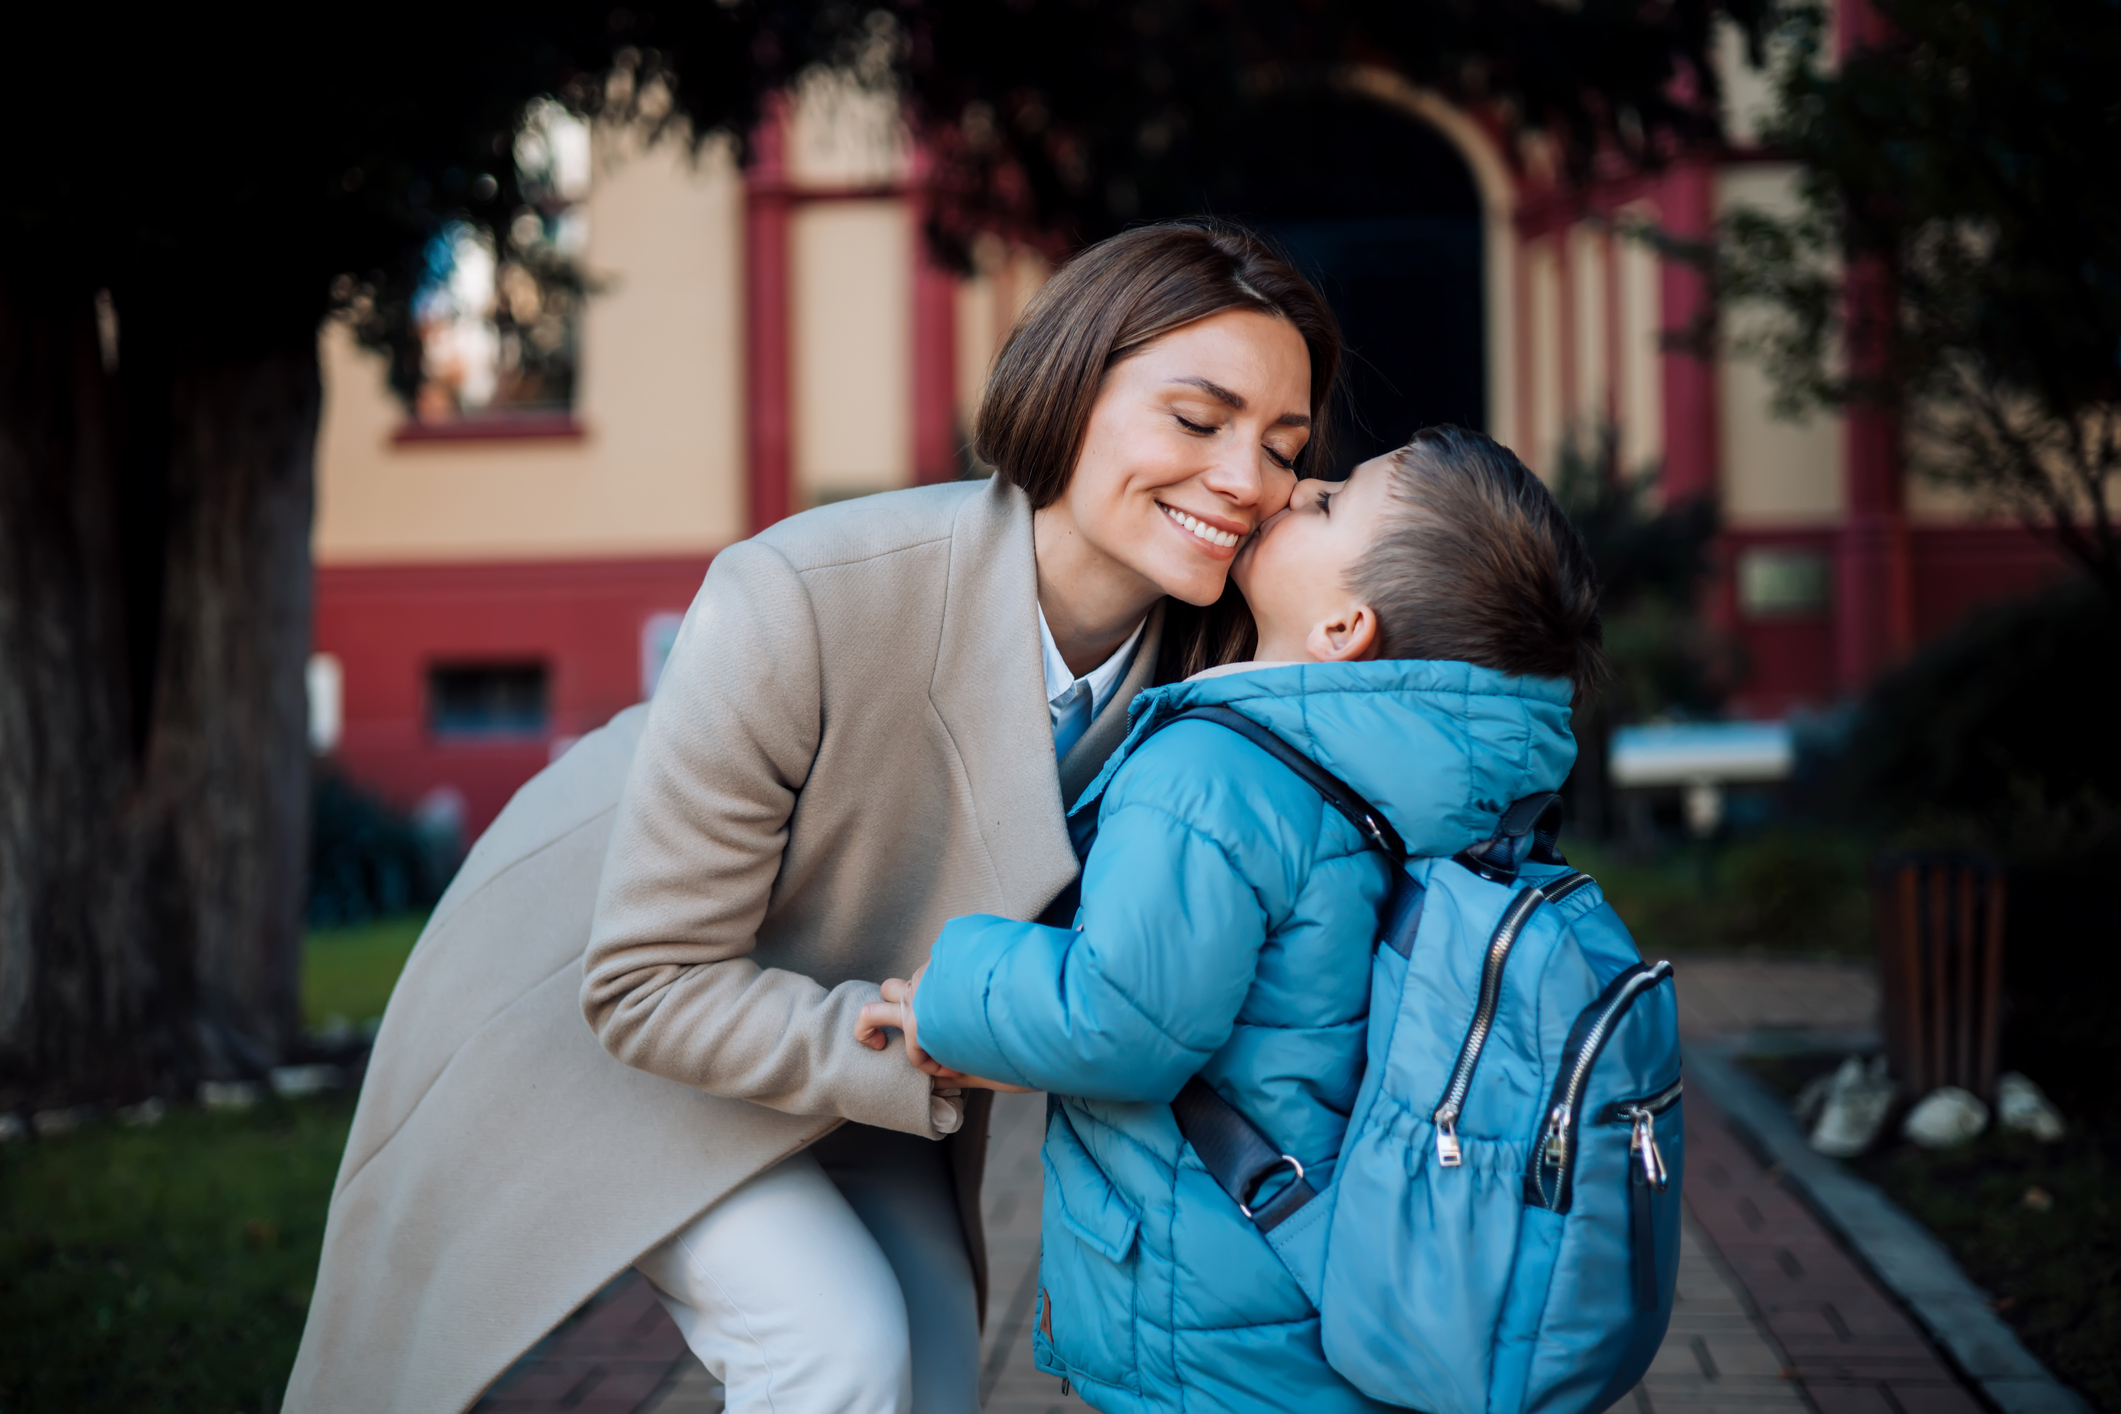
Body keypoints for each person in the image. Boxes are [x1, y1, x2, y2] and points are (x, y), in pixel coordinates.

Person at [284, 220, 1341, 1414]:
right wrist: (942, 1039)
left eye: (1284, 446)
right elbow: (642, 981)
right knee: (833, 1347)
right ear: (1068, 390)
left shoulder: (1215, 667)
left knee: (936, 1372)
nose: (1247, 479)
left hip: (859, 1055)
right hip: (607, 1009)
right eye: (1198, 422)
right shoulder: (802, 591)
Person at [860, 426, 1606, 1413]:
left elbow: (1121, 1021)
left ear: (1346, 627)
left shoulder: (1215, 773)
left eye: (1330, 500)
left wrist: (947, 992)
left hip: (1206, 1313)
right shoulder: (1454, 790)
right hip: (1335, 1280)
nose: (1292, 490)